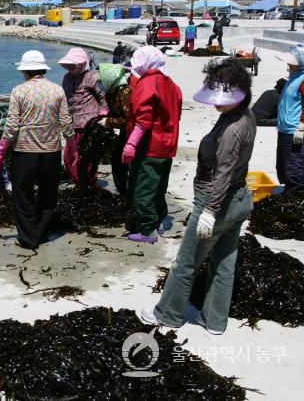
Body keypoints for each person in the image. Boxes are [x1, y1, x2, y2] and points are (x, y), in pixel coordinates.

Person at [141, 58, 256, 335]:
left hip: (217, 203)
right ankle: (215, 321)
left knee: (186, 262)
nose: (216, 101)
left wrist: (209, 211)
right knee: (224, 261)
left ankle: (167, 315)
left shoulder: (231, 130)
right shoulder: (244, 116)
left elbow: (223, 173)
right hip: (240, 199)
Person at [0, 50, 74, 250]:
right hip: (51, 151)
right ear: (42, 69)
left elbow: (11, 125)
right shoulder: (57, 90)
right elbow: (65, 122)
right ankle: (39, 233)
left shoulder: (19, 91)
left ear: (25, 71)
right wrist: (71, 145)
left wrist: (1, 150)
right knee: (48, 194)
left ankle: (29, 237)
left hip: (24, 152)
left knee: (22, 194)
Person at [123, 46, 182, 243]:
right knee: (158, 187)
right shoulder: (172, 84)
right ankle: (159, 221)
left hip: (150, 146)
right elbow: (175, 114)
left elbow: (143, 120)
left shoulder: (147, 83)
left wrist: (130, 144)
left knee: (142, 189)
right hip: (167, 145)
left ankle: (148, 230)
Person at [58, 47, 108, 184]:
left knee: (87, 154)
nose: (70, 67)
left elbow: (103, 97)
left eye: (73, 64)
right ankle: (76, 179)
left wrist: (103, 115)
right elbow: (64, 98)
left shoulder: (92, 76)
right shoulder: (66, 78)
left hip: (88, 123)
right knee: (69, 155)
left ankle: (89, 180)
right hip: (71, 123)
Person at [275, 45, 304, 193]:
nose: (288, 64)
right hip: (285, 130)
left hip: (297, 132)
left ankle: (296, 197)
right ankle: (288, 192)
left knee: (294, 167)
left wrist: (301, 126)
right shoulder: (293, 78)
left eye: (292, 62)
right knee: (283, 166)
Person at [97, 63, 132, 197]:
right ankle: (123, 191)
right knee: (117, 161)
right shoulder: (113, 91)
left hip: (132, 134)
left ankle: (127, 193)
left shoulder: (125, 93)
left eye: (102, 78)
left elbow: (129, 120)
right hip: (124, 133)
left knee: (122, 163)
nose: (100, 81)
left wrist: (108, 122)